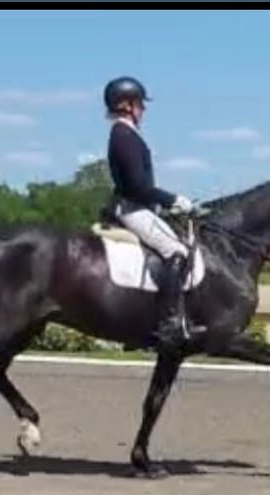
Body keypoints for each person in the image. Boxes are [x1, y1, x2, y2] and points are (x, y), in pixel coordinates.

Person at [103, 75, 206, 349]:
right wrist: (175, 200)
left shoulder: (126, 134)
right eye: (139, 104)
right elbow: (138, 187)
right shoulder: (124, 135)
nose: (143, 110)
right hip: (132, 208)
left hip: (139, 207)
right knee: (178, 252)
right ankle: (167, 322)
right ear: (126, 105)